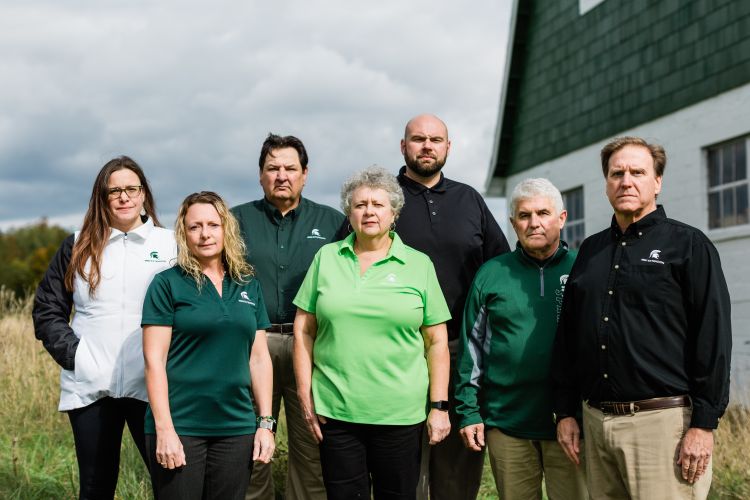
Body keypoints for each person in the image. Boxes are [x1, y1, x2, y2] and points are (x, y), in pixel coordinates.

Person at [552, 137, 732, 499]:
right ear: (606, 184)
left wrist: (703, 425)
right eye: (617, 173)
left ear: (658, 181)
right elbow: (569, 338)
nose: (626, 181)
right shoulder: (590, 251)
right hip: (596, 423)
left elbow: (712, 339)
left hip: (662, 427)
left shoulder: (689, 246)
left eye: (638, 172)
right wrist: (565, 411)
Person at [293, 166, 451, 500]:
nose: (368, 211)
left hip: (400, 414)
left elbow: (437, 341)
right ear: (349, 213)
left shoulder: (419, 265)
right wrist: (305, 393)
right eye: (360, 204)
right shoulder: (327, 258)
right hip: (336, 411)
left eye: (378, 204)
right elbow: (304, 329)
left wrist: (439, 406)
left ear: (394, 213)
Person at [32, 156, 176, 499]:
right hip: (91, 387)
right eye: (115, 191)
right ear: (102, 197)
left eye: (131, 189)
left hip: (154, 386)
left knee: (170, 484)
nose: (124, 197)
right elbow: (47, 309)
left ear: (143, 194)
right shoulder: (78, 244)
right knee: (96, 488)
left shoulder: (171, 244)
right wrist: (77, 356)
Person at [393, 113, 511, 500]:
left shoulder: (469, 200)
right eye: (418, 139)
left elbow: (500, 266)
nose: (427, 146)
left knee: (456, 473)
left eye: (436, 140)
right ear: (403, 146)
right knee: (400, 471)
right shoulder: (382, 199)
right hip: (397, 354)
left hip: (462, 352)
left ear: (448, 147)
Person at [454, 178, 587, 500]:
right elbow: (471, 349)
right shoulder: (492, 273)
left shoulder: (585, 269)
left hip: (572, 423)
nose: (534, 222)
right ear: (513, 223)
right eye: (524, 216)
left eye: (543, 213)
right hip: (507, 422)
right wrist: (469, 410)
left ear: (562, 218)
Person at [231, 133, 344, 500]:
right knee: (250, 444)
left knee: (311, 445)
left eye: (290, 168)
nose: (282, 175)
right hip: (252, 345)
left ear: (305, 174)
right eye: (272, 168)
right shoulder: (233, 221)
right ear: (260, 175)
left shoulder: (332, 223)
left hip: (308, 346)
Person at [142, 191, 275, 500]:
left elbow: (259, 359)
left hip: (236, 427)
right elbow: (154, 361)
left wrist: (265, 423)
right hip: (181, 425)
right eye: (195, 226)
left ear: (225, 229)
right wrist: (164, 429)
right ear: (183, 233)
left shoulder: (248, 284)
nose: (204, 234)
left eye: (212, 225)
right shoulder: (166, 284)